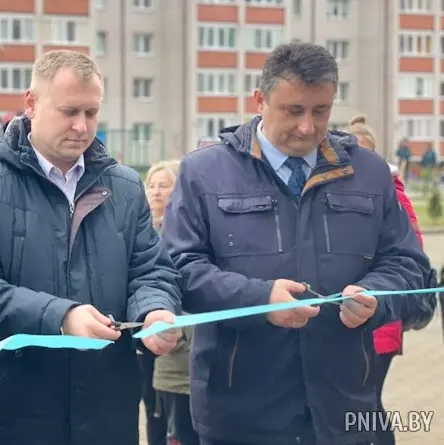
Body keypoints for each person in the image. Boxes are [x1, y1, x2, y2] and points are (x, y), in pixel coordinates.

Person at [162, 41, 435, 445]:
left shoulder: (369, 174)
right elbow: (178, 270)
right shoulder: (204, 173)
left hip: (347, 413)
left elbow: (410, 268)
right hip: (240, 418)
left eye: (320, 111)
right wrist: (260, 300)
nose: (308, 127)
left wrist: (378, 296)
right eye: (294, 111)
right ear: (260, 100)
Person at [0, 49, 184, 445]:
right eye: (69, 111)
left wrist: (154, 310)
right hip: (13, 411)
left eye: (91, 113)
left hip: (108, 412)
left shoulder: (123, 186)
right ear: (31, 103)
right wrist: (61, 317)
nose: (82, 126)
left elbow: (151, 269)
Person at [344, 115, 424, 445]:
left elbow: (411, 260)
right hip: (353, 319)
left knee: (366, 405)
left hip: (381, 318)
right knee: (363, 406)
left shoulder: (392, 197)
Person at [147, 160, 200, 445]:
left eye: (163, 186)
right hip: (154, 344)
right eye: (151, 186)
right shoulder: (144, 233)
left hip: (181, 351)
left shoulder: (184, 235)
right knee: (157, 418)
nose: (156, 192)